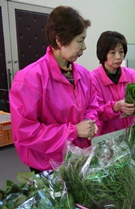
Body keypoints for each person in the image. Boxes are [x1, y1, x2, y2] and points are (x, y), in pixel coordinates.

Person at [9, 6, 99, 173]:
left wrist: (90, 123)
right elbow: (27, 131)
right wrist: (73, 131)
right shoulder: (30, 78)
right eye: (80, 40)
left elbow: (93, 105)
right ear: (60, 40)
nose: (84, 46)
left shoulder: (84, 75)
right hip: (48, 165)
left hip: (79, 159)